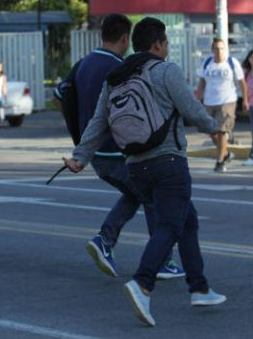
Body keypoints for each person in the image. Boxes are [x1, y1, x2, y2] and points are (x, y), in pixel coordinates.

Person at [63, 17, 227, 327]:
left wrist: (80, 157)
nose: (167, 48)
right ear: (158, 45)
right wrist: (216, 128)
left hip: (136, 165)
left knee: (186, 221)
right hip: (168, 163)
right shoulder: (166, 71)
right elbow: (192, 110)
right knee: (169, 225)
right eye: (165, 43)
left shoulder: (117, 77)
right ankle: (143, 283)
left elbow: (99, 123)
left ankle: (199, 287)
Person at [54, 14, 185, 281]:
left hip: (96, 152)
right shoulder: (121, 67)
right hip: (118, 150)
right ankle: (159, 259)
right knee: (152, 197)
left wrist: (80, 132)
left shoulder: (84, 63)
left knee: (135, 193)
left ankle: (106, 240)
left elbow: (59, 96)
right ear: (125, 38)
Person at [195, 38, 248, 173]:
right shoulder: (207, 63)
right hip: (210, 101)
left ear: (226, 49)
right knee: (212, 132)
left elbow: (242, 82)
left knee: (222, 130)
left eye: (222, 48)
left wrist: (246, 100)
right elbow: (201, 83)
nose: (219, 51)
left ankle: (220, 162)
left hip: (227, 100)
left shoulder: (232, 63)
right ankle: (225, 154)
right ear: (212, 50)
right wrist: (196, 100)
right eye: (216, 48)